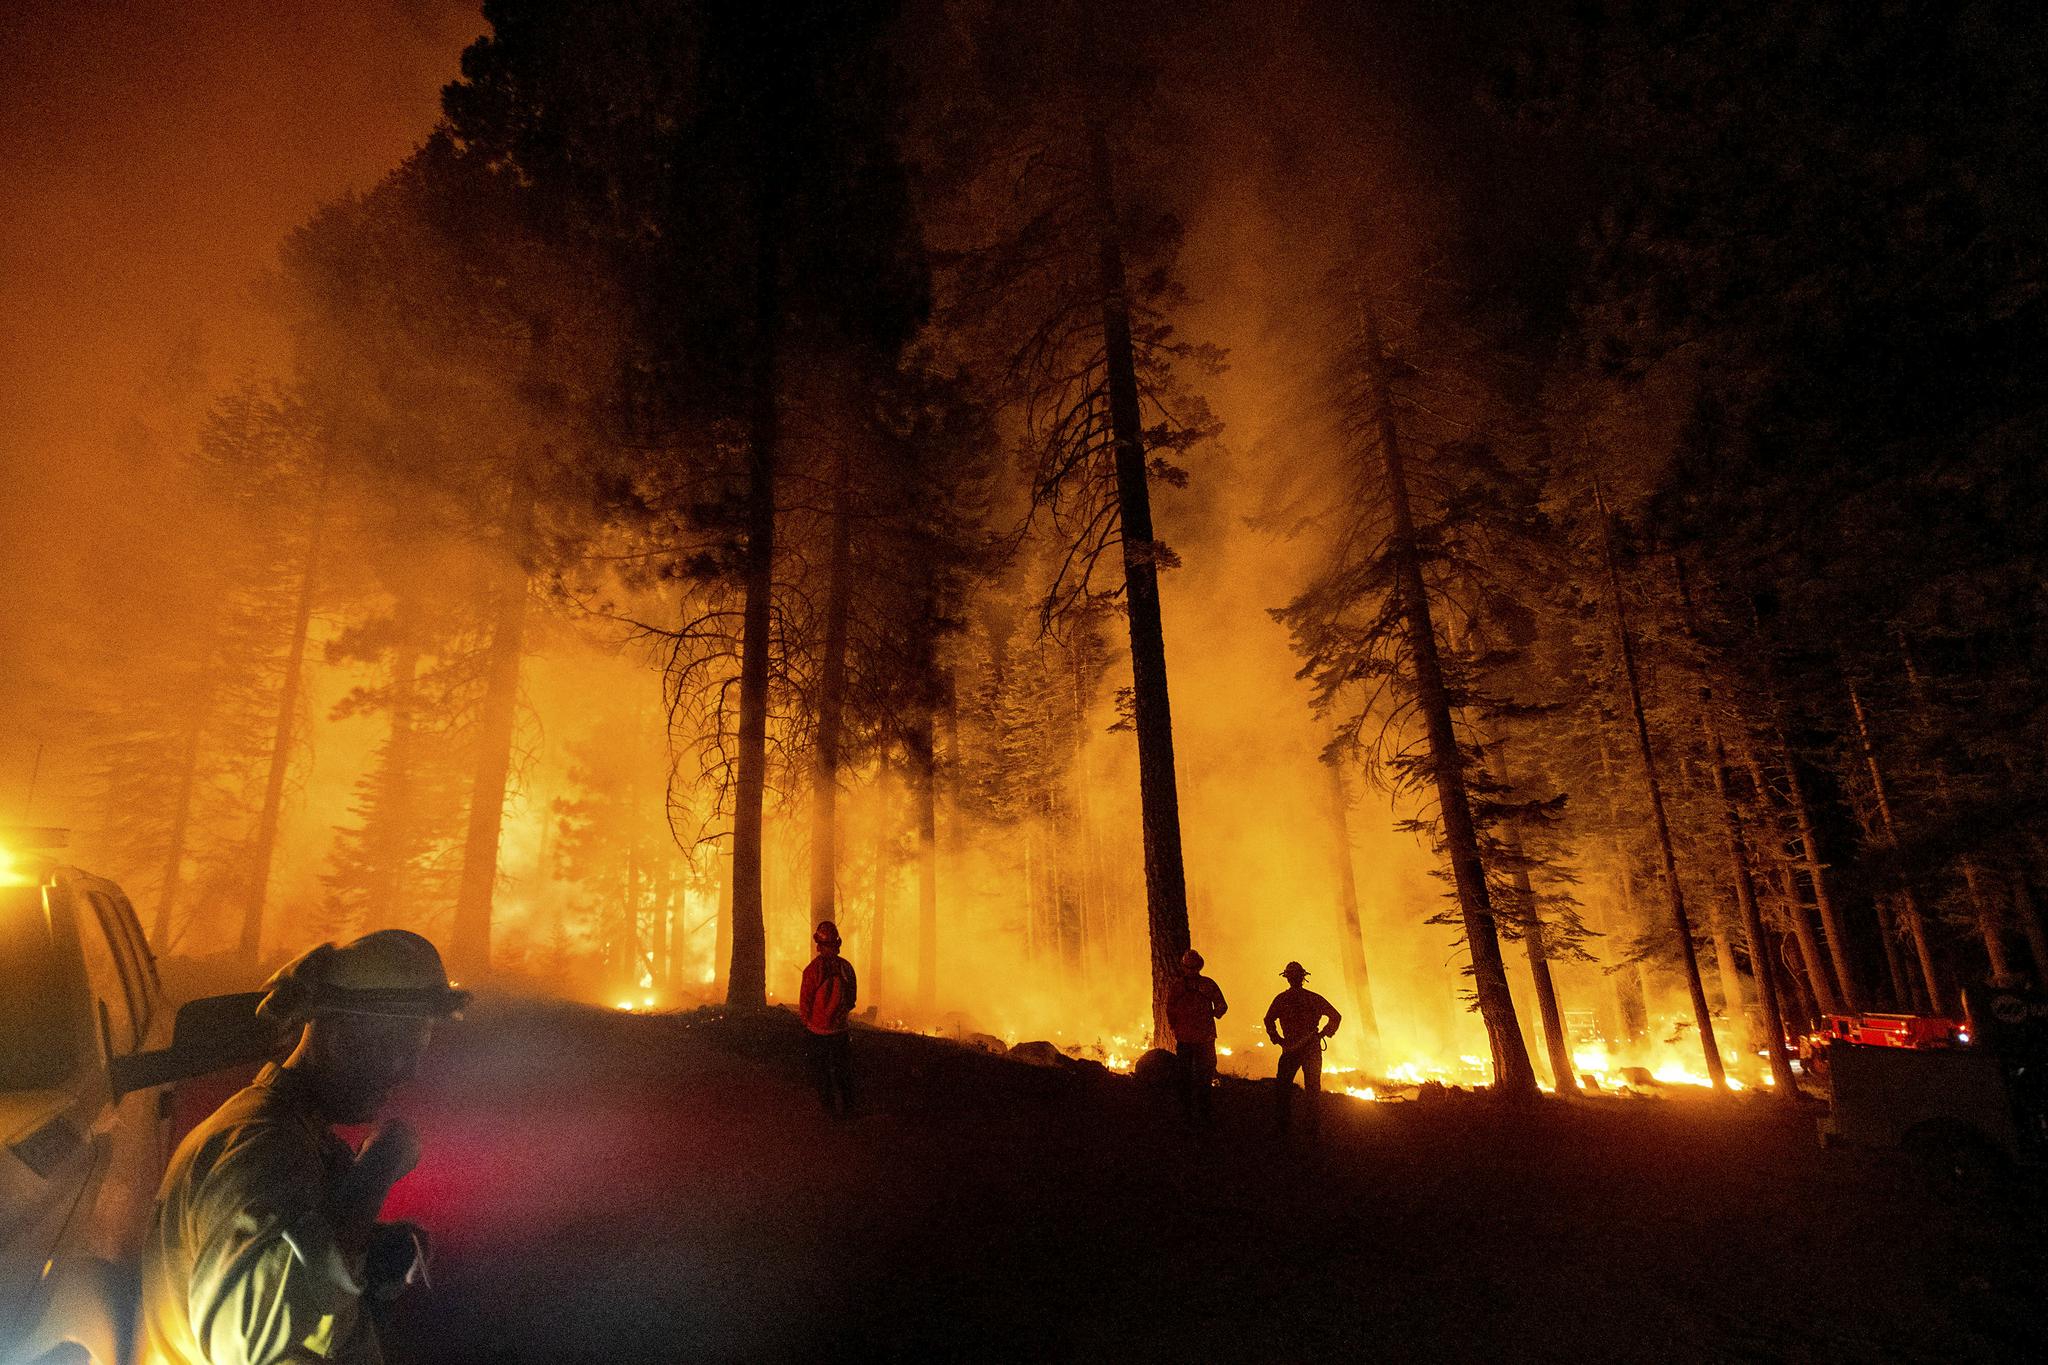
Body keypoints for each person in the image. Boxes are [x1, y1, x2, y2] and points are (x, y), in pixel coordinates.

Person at [142, 929, 467, 1365]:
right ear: (337, 1034)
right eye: (399, 1048)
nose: (409, 1071)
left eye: (419, 1049)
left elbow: (292, 1276)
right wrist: (376, 1171)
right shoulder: (262, 1147)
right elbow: (249, 1341)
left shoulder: (295, 1136)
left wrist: (364, 1254)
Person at [1264, 961, 1341, 1137]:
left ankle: (1283, 1126)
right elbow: (1336, 1016)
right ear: (1302, 978)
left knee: (1283, 1088)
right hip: (1310, 1048)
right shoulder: (1313, 998)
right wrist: (1325, 1033)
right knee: (1312, 1089)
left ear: (1288, 978)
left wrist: (1278, 1039)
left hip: (1291, 1049)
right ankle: (1311, 1128)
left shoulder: (1282, 999)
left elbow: (1268, 1020)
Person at [799, 919, 858, 1116]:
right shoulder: (846, 968)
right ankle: (849, 1109)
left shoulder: (812, 970)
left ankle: (830, 1110)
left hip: (817, 1031)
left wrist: (807, 1022)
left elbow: (805, 1001)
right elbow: (851, 999)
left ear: (820, 945)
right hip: (840, 1031)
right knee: (844, 1071)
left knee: (822, 1071)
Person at [1165, 948, 1228, 1123]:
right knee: (1185, 1077)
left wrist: (1217, 1012)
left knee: (1204, 1077)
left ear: (1199, 967)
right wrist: (1175, 1027)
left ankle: (1202, 1113)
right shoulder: (1180, 986)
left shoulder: (1206, 984)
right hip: (1188, 1039)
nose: (1192, 971)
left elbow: (1222, 1005)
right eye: (1189, 968)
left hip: (1203, 1039)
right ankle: (1187, 1114)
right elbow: (1170, 1009)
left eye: (1194, 968)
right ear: (1185, 967)